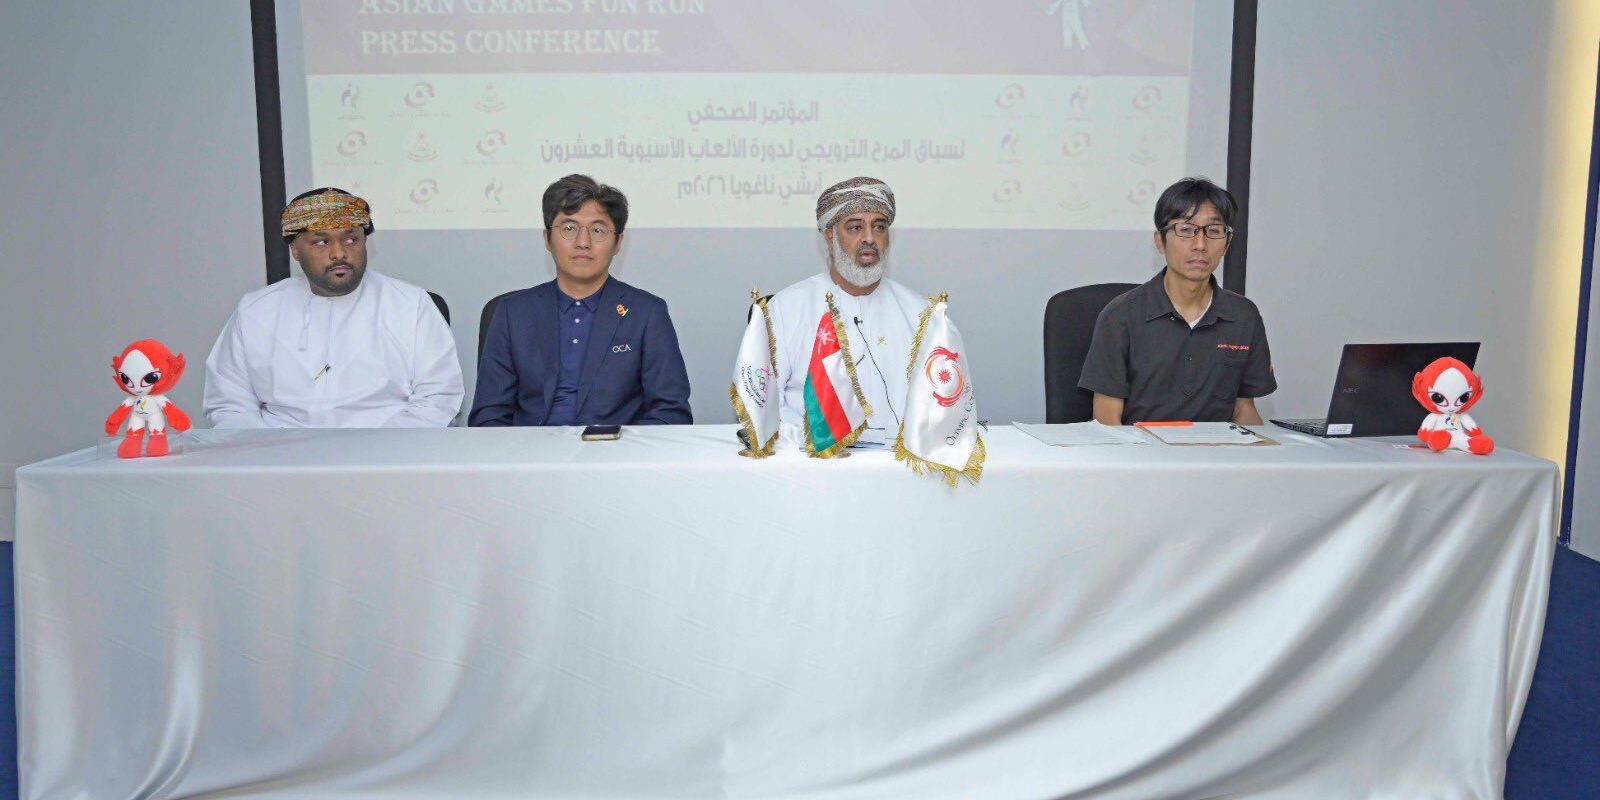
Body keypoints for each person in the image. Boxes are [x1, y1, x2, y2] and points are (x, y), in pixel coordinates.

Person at [203, 188, 464, 427]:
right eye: (321, 242)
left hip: (386, 451)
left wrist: (378, 453)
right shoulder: (257, 310)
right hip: (280, 452)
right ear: (295, 249)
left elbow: (438, 398)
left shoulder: (409, 304)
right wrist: (270, 453)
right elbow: (230, 404)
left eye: (351, 240)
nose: (339, 253)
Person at [469, 174, 692, 426]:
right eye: (569, 228)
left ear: (618, 242)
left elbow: (671, 413)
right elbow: (488, 415)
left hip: (614, 447)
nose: (583, 242)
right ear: (547, 238)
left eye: (597, 230)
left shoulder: (646, 312)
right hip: (530, 447)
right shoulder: (513, 312)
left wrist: (621, 446)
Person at [1078, 177, 1275, 425]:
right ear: (1160, 241)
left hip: (1217, 449)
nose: (1200, 245)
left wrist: (1267, 447)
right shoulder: (1120, 315)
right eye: (1186, 230)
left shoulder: (1243, 315)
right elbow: (1107, 419)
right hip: (1141, 448)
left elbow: (1243, 409)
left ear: (1227, 243)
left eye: (1214, 231)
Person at [766, 177, 927, 445]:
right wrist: (816, 441)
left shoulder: (920, 312)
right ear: (830, 237)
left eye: (879, 227)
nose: (869, 238)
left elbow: (939, 401)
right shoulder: (786, 308)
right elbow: (764, 403)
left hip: (900, 461)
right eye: (855, 228)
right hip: (810, 458)